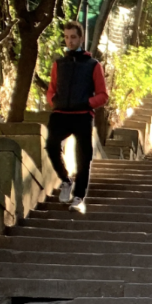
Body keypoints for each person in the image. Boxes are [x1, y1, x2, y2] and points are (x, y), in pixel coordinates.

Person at [45, 20, 109, 214]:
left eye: (73, 37)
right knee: (51, 145)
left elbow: (103, 95)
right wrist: (53, 101)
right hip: (60, 114)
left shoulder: (93, 65)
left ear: (81, 38)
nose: (70, 41)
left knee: (84, 157)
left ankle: (79, 198)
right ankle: (65, 180)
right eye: (66, 37)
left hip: (82, 115)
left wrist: (87, 103)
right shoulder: (59, 64)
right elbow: (51, 90)